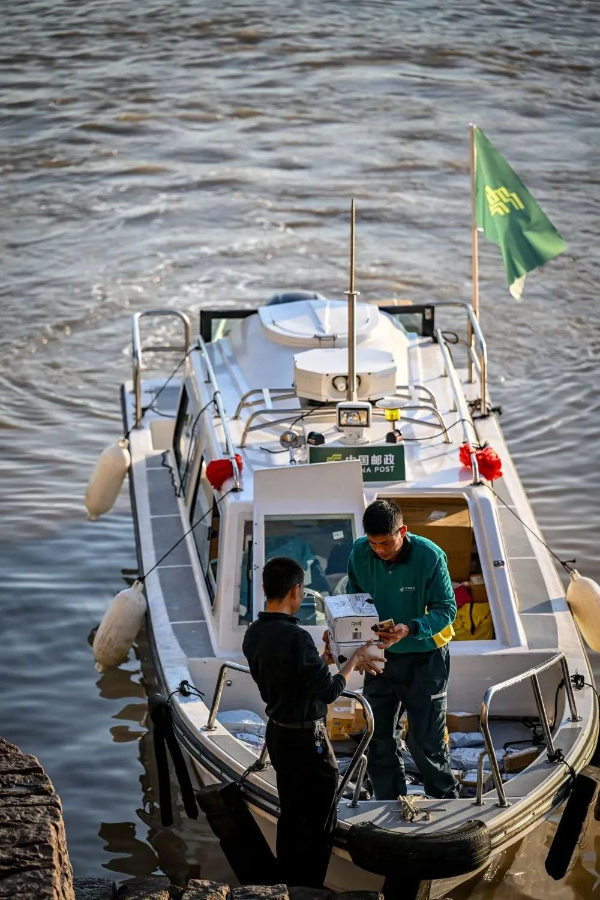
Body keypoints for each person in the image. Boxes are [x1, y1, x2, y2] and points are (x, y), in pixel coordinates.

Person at [242, 556, 384, 889]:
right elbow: (330, 691)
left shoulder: (254, 633)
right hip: (308, 742)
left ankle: (287, 885)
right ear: (296, 591)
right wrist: (354, 660)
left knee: (291, 815)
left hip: (278, 734)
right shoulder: (297, 637)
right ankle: (311, 889)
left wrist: (322, 661)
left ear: (265, 588)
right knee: (319, 822)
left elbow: (292, 681)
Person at [341, 498, 459, 801]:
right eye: (373, 544)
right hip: (380, 658)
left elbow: (446, 609)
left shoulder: (430, 556)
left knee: (426, 740)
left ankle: (445, 800)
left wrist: (411, 628)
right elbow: (354, 597)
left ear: (402, 531)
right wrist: (349, 637)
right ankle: (388, 800)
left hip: (425, 659)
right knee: (378, 736)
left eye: (385, 543)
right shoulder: (359, 552)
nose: (379, 550)